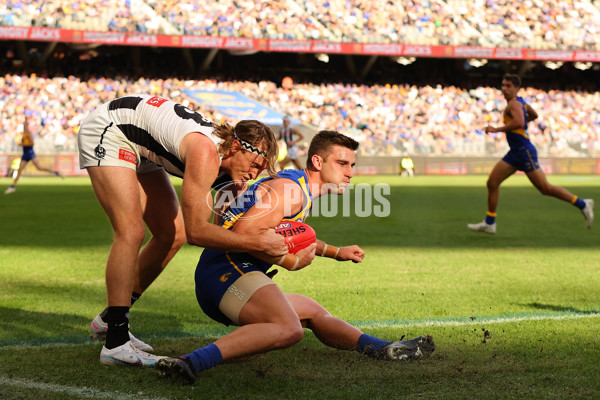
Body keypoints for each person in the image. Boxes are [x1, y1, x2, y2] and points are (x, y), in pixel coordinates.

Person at [155, 130, 435, 385]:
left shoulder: (297, 188)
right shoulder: (290, 191)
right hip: (226, 271)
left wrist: (337, 252)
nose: (350, 172)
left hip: (233, 271)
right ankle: (190, 361)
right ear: (317, 161)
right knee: (288, 328)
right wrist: (290, 261)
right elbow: (245, 233)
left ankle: (383, 349)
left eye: (352, 165)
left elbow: (294, 234)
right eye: (342, 163)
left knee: (311, 310)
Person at [78, 94, 287, 367]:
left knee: (171, 234)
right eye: (255, 165)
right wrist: (258, 243)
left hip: (136, 139)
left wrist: (254, 256)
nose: (255, 173)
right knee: (130, 231)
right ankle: (116, 343)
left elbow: (220, 231)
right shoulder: (205, 153)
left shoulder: (226, 164)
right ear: (236, 146)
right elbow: (198, 233)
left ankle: (110, 320)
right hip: (111, 128)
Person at [468, 74, 594, 234]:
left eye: (508, 86)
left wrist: (496, 129)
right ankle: (490, 222)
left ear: (516, 88)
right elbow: (533, 115)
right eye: (503, 85)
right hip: (515, 152)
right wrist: (521, 124)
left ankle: (583, 204)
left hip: (523, 151)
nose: (504, 88)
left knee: (545, 188)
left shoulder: (514, 104)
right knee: (492, 183)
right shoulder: (520, 103)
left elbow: (520, 122)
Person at [4, 113, 62, 194]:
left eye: (24, 125)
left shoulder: (28, 133)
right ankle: (12, 186)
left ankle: (56, 172)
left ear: (26, 126)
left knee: (39, 167)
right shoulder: (23, 133)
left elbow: (32, 143)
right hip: (25, 154)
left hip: (30, 153)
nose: (24, 126)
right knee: (20, 170)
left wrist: (22, 144)